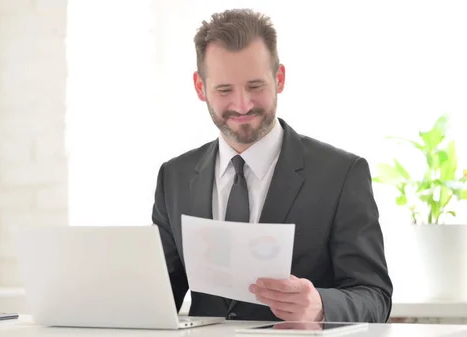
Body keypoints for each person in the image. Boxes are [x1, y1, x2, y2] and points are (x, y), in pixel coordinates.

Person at [151, 8, 393, 323]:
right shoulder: (174, 177)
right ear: (200, 88)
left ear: (279, 78)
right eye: (224, 90)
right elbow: (158, 295)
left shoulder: (342, 175)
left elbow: (374, 296)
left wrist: (320, 305)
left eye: (255, 86)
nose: (242, 105)